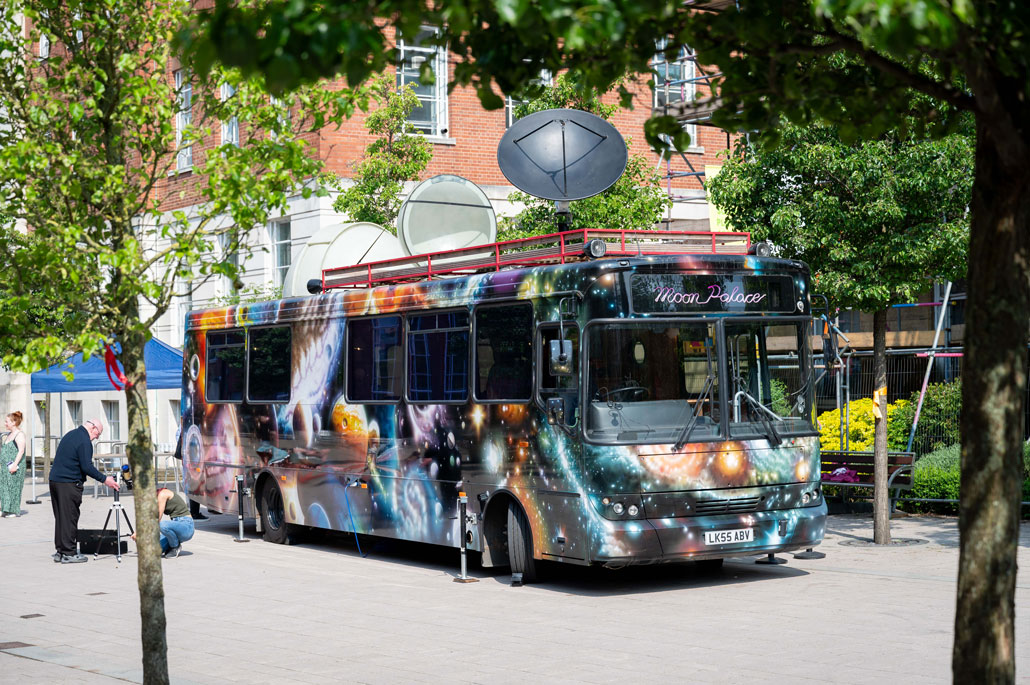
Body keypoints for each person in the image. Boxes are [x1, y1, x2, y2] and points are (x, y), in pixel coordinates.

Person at [49, 418, 119, 563]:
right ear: (93, 428)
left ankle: (60, 550)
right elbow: (86, 466)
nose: (97, 437)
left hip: (55, 480)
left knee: (61, 517)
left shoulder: (71, 434)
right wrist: (105, 479)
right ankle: (69, 553)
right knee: (70, 517)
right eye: (98, 434)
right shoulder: (84, 440)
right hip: (69, 482)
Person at [132, 487, 194, 558]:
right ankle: (171, 544)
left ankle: (175, 547)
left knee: (162, 525)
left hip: (186, 526)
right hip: (176, 527)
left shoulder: (162, 494)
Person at [0, 411, 27, 517]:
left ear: (14, 422)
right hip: (5, 467)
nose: (5, 423)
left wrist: (15, 465)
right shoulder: (9, 434)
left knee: (14, 488)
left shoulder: (19, 435)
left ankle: (14, 510)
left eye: (7, 421)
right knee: (4, 487)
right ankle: (5, 508)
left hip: (15, 466)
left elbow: (21, 451)